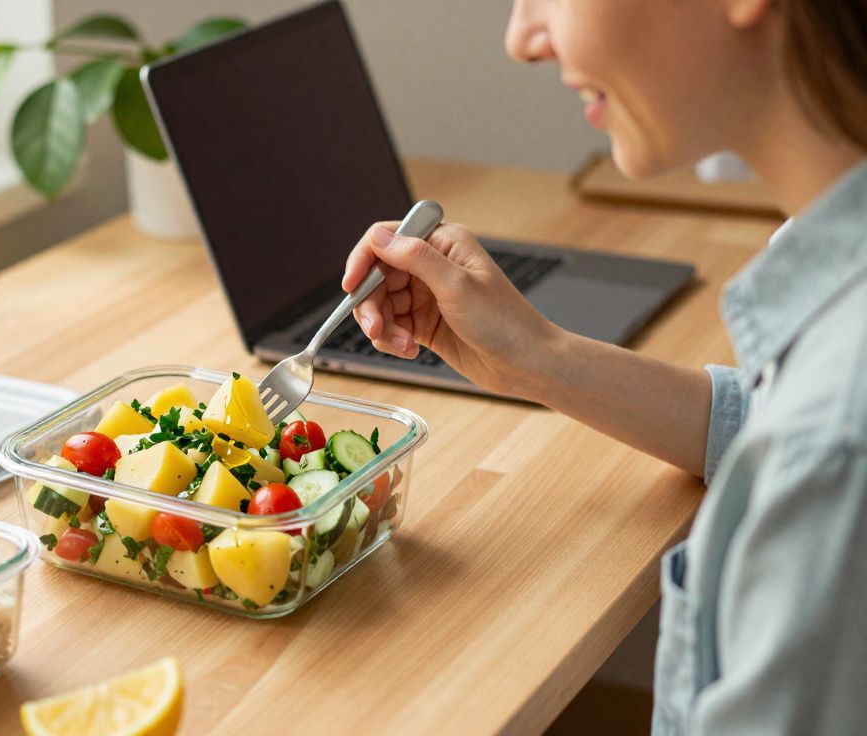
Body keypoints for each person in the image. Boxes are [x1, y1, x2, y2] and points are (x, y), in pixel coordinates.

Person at [343, 1, 867, 733]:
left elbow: (818, 446)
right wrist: (536, 359)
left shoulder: (839, 441)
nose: (522, 39)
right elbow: (773, 422)